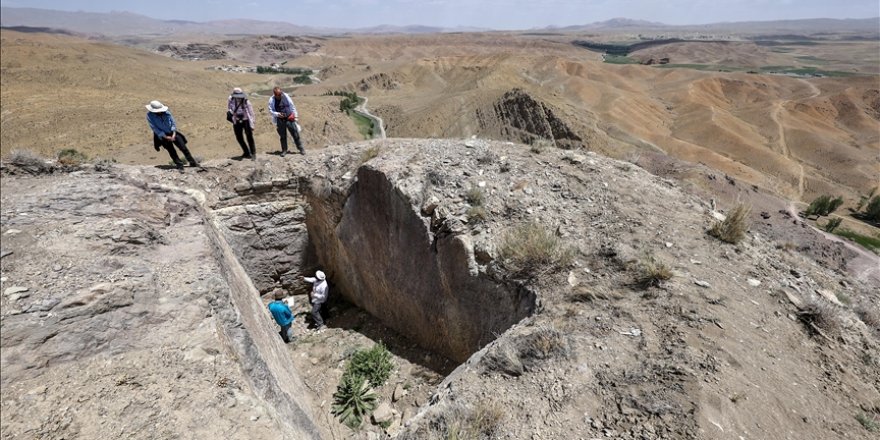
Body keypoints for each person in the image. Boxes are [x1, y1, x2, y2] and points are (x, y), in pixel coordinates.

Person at [145, 100, 199, 171]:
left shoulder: (167, 112)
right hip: (163, 135)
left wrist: (173, 134)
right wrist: (165, 136)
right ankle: (179, 164)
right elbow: (154, 128)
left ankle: (192, 163)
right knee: (171, 150)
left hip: (172, 132)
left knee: (183, 147)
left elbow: (173, 122)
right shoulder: (150, 116)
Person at [267, 87, 304, 157]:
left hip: (289, 117)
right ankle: (284, 150)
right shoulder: (271, 100)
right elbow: (270, 110)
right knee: (283, 136)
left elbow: (292, 106)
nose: (280, 95)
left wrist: (295, 116)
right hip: (280, 119)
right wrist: (277, 114)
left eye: (280, 94)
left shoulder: (286, 96)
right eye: (278, 95)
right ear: (275, 95)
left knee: (295, 133)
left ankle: (301, 148)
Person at [228, 88, 257, 160]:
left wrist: (252, 124)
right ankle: (246, 152)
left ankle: (253, 153)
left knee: (249, 137)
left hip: (246, 120)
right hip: (236, 121)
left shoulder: (246, 101)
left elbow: (251, 113)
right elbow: (229, 108)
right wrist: (231, 113)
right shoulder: (231, 99)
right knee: (239, 137)